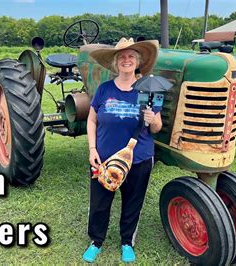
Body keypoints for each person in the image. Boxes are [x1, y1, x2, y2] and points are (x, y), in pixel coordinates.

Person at [82, 37, 162, 263]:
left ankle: (127, 241)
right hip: (104, 159)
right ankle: (96, 241)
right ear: (116, 63)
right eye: (122, 57)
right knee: (99, 202)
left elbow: (157, 127)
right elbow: (91, 121)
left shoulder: (149, 90)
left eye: (131, 57)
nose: (126, 60)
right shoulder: (104, 89)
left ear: (137, 62)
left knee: (132, 202)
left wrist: (151, 118)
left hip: (139, 159)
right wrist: (92, 149)